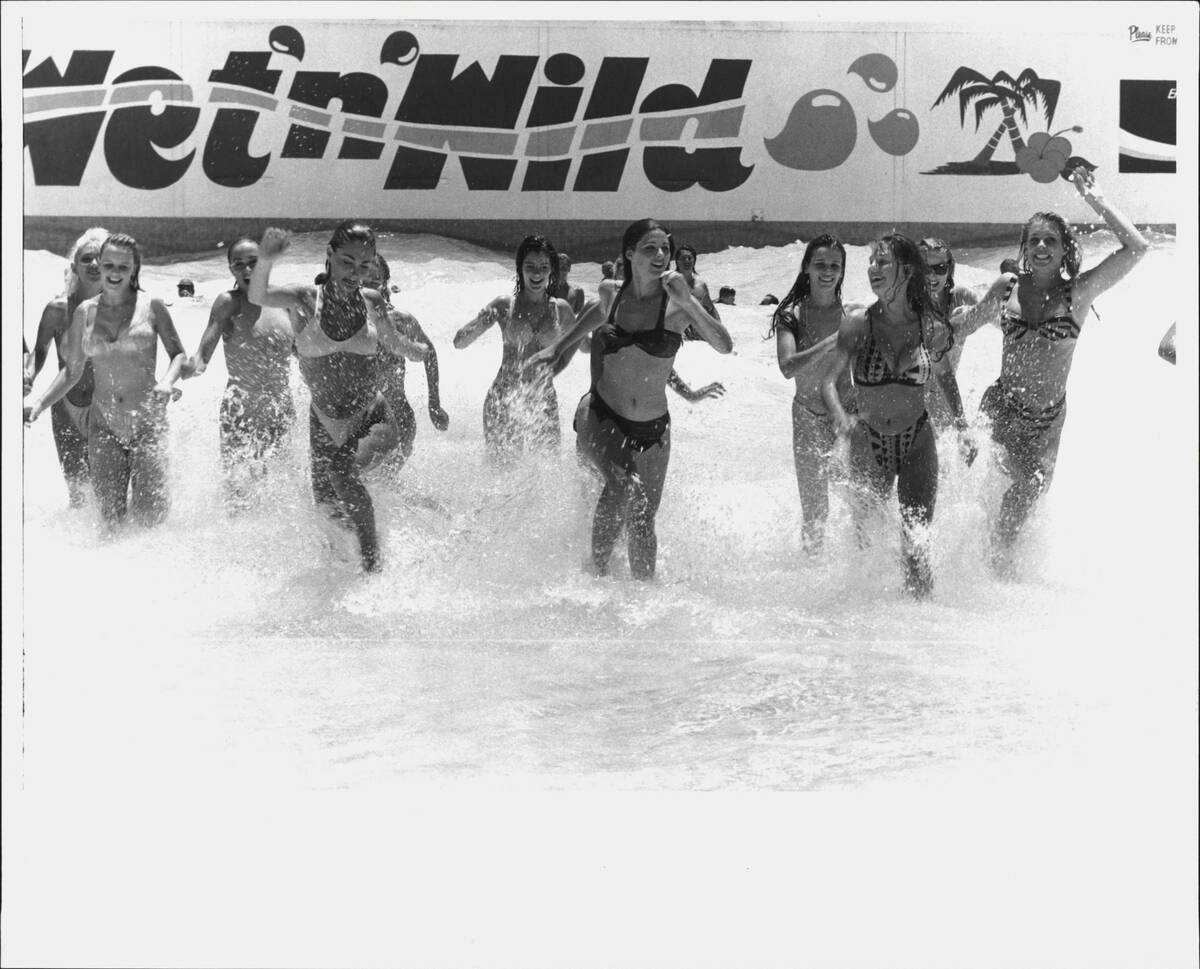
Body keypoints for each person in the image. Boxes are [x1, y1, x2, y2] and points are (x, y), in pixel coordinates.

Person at [957, 165, 1150, 573]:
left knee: (1026, 496)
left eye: (1051, 240)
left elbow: (1137, 248)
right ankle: (991, 577)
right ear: (1025, 249)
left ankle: (997, 572)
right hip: (1003, 407)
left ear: (1065, 250)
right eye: (1035, 240)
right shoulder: (1006, 288)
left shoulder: (1076, 294)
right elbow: (965, 328)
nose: (1042, 246)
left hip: (1046, 421)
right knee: (1005, 489)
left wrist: (1095, 198)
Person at [248, 222, 430, 573]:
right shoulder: (304, 299)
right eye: (347, 262)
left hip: (372, 415)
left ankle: (373, 571)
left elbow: (393, 342)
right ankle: (345, 575)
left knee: (343, 474)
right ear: (329, 257)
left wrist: (418, 350)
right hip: (323, 421)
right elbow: (259, 295)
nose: (355, 273)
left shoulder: (372, 301)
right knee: (329, 513)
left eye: (365, 266)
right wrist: (266, 259)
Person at [558, 218, 733, 579]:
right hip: (603, 414)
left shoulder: (678, 305)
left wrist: (691, 303)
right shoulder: (610, 293)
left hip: (654, 429)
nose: (660, 255)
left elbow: (723, 345)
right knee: (620, 485)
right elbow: (589, 323)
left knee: (642, 522)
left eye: (665, 249)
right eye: (650, 248)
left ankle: (643, 600)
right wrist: (555, 353)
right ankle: (596, 580)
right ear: (630, 254)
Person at [821, 232, 973, 598]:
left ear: (906, 270)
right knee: (866, 546)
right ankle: (865, 638)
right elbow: (828, 383)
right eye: (871, 262)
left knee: (916, 546)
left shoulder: (930, 325)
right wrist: (841, 416)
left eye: (883, 261)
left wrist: (963, 428)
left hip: (917, 443)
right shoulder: (857, 322)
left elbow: (945, 377)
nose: (873, 268)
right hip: (867, 445)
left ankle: (919, 631)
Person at [25, 232, 187, 532]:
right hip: (104, 426)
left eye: (122, 267)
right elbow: (71, 371)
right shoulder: (85, 313)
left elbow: (178, 355)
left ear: (134, 270)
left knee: (150, 521)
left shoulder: (152, 306)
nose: (113, 272)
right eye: (108, 265)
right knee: (110, 522)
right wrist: (39, 403)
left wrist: (167, 381)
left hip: (146, 422)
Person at [183, 236, 297, 509]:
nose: (247, 270)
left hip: (280, 407)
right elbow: (202, 355)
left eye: (253, 263)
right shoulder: (228, 302)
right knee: (240, 495)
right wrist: (187, 369)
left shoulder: (285, 302)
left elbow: (301, 353)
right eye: (239, 265)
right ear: (232, 270)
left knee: (277, 492)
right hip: (241, 410)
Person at [769, 234, 862, 554]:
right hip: (807, 415)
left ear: (842, 271)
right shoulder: (791, 314)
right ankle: (810, 574)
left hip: (846, 416)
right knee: (815, 510)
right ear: (806, 267)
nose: (828, 271)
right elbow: (787, 367)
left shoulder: (852, 314)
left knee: (859, 499)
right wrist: (833, 340)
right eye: (820, 264)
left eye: (835, 266)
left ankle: (864, 568)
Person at [453, 235, 576, 464]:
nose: (537, 273)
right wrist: (479, 322)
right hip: (504, 398)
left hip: (543, 398)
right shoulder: (504, 305)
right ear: (520, 268)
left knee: (547, 472)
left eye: (543, 267)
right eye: (530, 266)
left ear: (552, 271)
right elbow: (459, 343)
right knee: (502, 473)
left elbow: (584, 344)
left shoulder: (562, 310)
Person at [24, 226, 109, 507]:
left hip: (105, 405)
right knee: (77, 494)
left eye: (100, 259)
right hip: (64, 406)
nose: (94, 265)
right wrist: (28, 375)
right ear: (74, 265)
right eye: (86, 259)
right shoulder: (57, 309)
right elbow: (39, 351)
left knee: (106, 489)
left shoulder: (120, 309)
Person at [360, 253, 449, 469]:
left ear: (385, 284)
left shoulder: (400, 319)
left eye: (375, 281)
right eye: (364, 280)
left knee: (383, 486)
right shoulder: (346, 322)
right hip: (360, 417)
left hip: (400, 418)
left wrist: (434, 404)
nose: (370, 287)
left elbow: (429, 353)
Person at [919, 237, 979, 431]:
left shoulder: (961, 298)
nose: (932, 276)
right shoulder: (909, 306)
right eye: (925, 269)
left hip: (946, 400)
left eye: (939, 268)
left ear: (950, 268)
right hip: (914, 399)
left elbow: (996, 315)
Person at [673, 245, 721, 322]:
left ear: (694, 261)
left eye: (690, 258)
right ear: (677, 261)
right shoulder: (670, 283)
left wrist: (719, 330)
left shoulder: (700, 286)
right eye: (683, 258)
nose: (687, 261)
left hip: (695, 331)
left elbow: (711, 310)